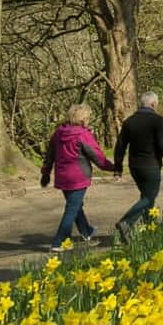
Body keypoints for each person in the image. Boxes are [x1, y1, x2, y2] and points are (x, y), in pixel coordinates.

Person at [39, 105, 118, 246]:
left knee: (75, 205)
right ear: (83, 119)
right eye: (88, 118)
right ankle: (59, 242)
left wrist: (46, 173)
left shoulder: (58, 133)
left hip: (62, 176)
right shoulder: (83, 135)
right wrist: (112, 167)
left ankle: (86, 231)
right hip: (78, 176)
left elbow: (49, 155)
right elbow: (96, 156)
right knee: (72, 208)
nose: (89, 121)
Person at [113, 90, 163, 236]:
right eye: (156, 104)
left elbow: (120, 146)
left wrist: (118, 167)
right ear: (153, 104)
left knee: (146, 196)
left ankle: (150, 230)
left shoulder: (129, 121)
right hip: (151, 165)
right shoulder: (158, 120)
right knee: (149, 197)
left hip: (134, 166)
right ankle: (126, 222)